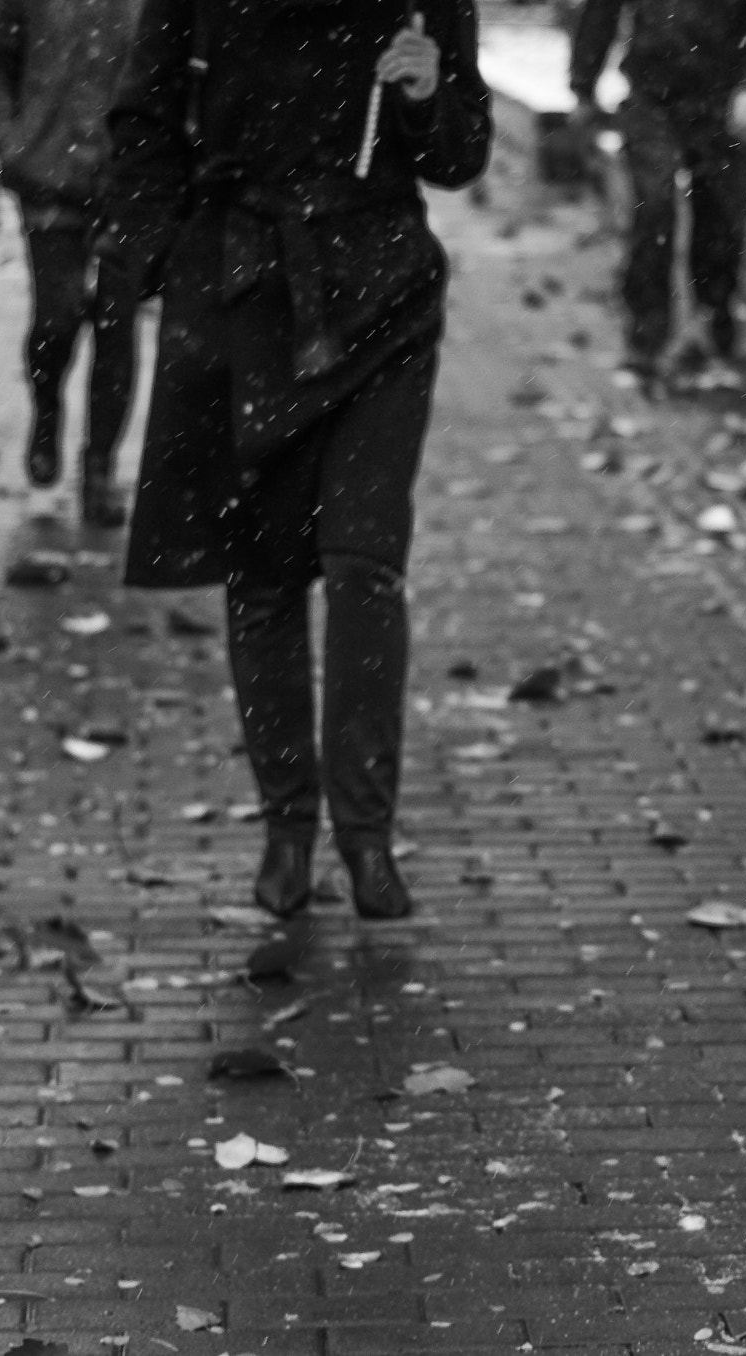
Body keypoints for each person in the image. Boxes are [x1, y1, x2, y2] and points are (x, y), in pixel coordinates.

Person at [98, 0, 491, 920]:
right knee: (264, 572)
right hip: (244, 295)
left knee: (364, 564)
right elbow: (143, 122)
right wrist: (160, 254)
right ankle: (287, 829)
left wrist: (428, 95)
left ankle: (366, 839)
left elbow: (462, 153)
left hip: (386, 292)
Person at [0, 0, 145, 526]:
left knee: (118, 324)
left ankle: (99, 467)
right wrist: (8, 135)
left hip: (131, 178)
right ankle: (47, 409)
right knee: (56, 317)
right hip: (47, 170)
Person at [567, 0, 746, 376]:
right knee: (654, 206)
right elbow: (600, 12)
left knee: (722, 214)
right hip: (652, 97)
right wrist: (583, 85)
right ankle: (647, 336)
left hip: (724, 97)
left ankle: (714, 321)